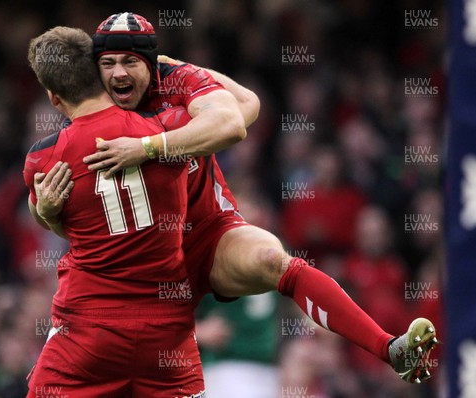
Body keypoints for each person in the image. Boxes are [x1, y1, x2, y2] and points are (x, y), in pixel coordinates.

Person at [39, 13, 439, 384]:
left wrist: (147, 146)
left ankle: (390, 348)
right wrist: (42, 211)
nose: (118, 73)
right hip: (140, 265)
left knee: (273, 260)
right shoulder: (90, 108)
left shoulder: (175, 81)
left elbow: (237, 116)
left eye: (130, 61)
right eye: (108, 63)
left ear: (151, 61)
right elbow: (49, 196)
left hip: (209, 236)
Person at [24, 26, 206, 397]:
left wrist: (45, 212)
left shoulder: (42, 158)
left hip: (86, 335)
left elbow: (58, 219)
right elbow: (241, 112)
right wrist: (173, 66)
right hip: (166, 333)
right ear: (100, 73)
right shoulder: (167, 127)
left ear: (53, 98)